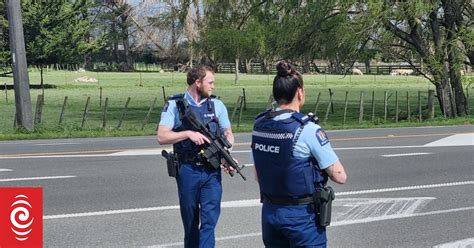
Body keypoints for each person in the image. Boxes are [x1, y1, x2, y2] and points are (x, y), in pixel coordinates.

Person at [251, 61, 347, 248]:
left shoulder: (259, 126)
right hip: (301, 216)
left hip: (270, 212)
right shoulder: (307, 129)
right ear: (300, 92)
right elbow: (340, 176)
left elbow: (257, 174)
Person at [157, 65, 234, 248]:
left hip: (211, 172)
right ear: (197, 82)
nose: (213, 86)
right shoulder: (176, 105)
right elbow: (162, 136)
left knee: (209, 222)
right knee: (191, 223)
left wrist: (226, 153)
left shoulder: (217, 105)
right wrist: (187, 134)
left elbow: (228, 132)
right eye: (210, 82)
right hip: (188, 170)